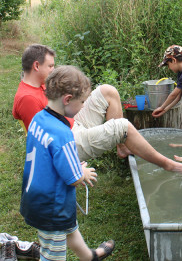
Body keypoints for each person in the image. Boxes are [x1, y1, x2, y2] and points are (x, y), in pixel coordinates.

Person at [13, 44, 182, 176]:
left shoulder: (39, 85)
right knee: (123, 126)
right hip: (70, 139)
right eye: (50, 66)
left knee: (107, 91)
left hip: (71, 123)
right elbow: (43, 144)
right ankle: (168, 165)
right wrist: (74, 168)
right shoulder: (28, 98)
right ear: (36, 66)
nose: (53, 70)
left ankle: (123, 147)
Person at [20, 65, 115, 260]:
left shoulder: (39, 119)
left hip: (35, 197)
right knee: (52, 254)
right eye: (81, 102)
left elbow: (49, 157)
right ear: (67, 99)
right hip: (51, 207)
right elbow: (73, 178)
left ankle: (89, 256)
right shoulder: (63, 134)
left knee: (70, 230)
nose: (82, 107)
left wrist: (72, 165)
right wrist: (83, 173)